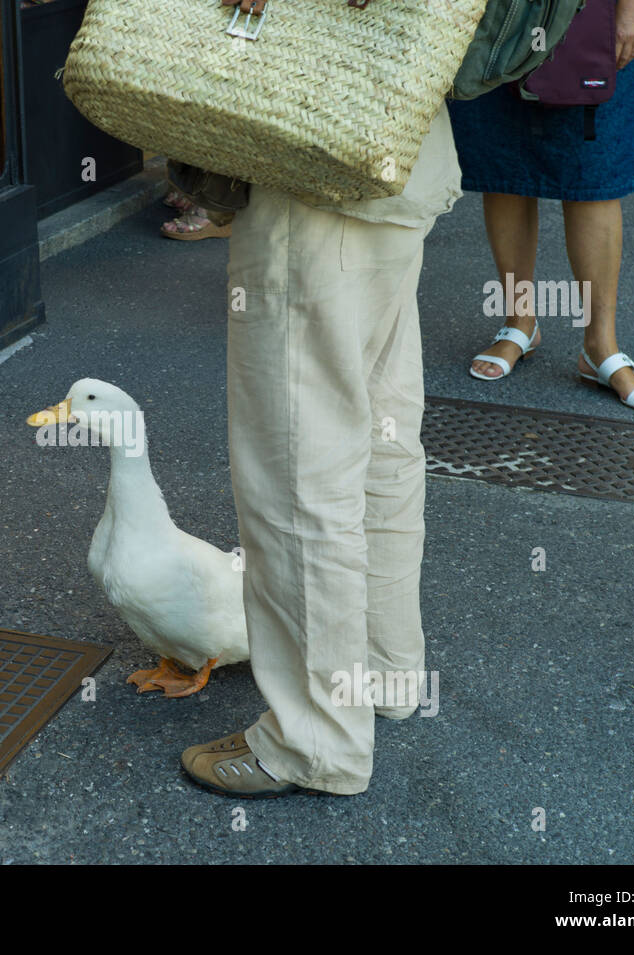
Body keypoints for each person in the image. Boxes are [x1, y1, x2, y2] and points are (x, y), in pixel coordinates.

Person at [180, 0, 462, 797]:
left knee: (298, 478)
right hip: (394, 142)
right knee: (379, 441)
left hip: (315, 158)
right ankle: (381, 671)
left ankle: (315, 740)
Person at [458, 0, 634, 414]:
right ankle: (520, 322)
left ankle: (600, 346)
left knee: (594, 177)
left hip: (596, 8)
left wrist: (631, 8)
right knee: (505, 170)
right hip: (494, 11)